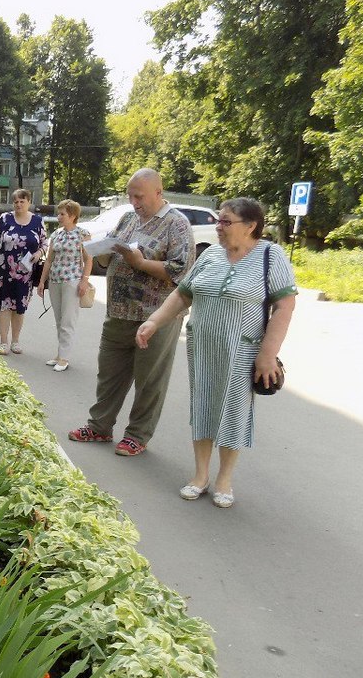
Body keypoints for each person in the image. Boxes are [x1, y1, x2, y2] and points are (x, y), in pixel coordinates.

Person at [135, 197, 297, 508]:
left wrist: (267, 355)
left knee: (233, 412)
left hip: (244, 350)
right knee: (204, 405)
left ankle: (224, 479)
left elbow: (284, 307)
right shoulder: (210, 257)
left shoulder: (270, 256)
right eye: (218, 221)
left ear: (250, 226)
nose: (218, 227)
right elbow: (184, 295)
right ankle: (200, 476)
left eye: (226, 222)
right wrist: (154, 321)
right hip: (204, 348)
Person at [68, 168, 195, 456]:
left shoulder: (176, 224)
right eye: (130, 195)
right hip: (119, 312)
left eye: (139, 196)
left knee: (150, 379)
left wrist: (140, 263)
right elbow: (112, 245)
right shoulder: (128, 217)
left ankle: (137, 434)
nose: (134, 201)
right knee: (109, 373)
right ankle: (99, 426)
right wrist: (99, 250)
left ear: (158, 193)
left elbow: (181, 273)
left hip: (155, 317)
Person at [0, 188, 47, 354]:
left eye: (22, 201)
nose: (19, 204)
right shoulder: (5, 219)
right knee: (4, 306)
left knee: (19, 308)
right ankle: (3, 342)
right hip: (3, 272)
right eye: (16, 202)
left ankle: (15, 341)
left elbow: (45, 244)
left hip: (25, 275)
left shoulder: (37, 222)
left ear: (29, 202)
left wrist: (39, 253)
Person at [35, 199, 92, 372]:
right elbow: (49, 259)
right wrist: (42, 281)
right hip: (55, 280)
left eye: (62, 214)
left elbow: (89, 259)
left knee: (68, 320)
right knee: (59, 319)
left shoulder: (83, 234)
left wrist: (84, 281)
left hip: (72, 281)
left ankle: (64, 358)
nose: (58, 217)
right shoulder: (57, 234)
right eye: (58, 213)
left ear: (73, 216)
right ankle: (60, 354)